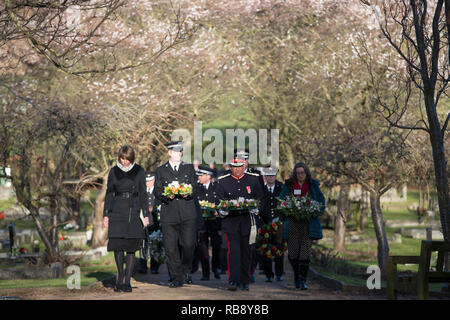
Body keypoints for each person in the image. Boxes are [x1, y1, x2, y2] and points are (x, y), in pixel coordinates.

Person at [103, 145, 150, 293]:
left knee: (130, 247)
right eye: (122, 158)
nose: (124, 162)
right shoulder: (114, 171)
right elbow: (109, 193)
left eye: (127, 159)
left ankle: (127, 281)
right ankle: (120, 277)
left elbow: (143, 194)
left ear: (132, 158)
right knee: (117, 245)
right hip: (116, 211)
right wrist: (105, 214)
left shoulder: (139, 170)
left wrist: (146, 215)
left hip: (133, 210)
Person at [154, 141, 201, 288]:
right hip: (169, 214)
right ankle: (175, 277)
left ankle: (185, 270)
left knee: (188, 245)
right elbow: (157, 190)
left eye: (180, 152)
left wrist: (189, 193)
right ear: (169, 153)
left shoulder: (188, 168)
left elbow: (195, 188)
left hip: (187, 214)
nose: (178, 154)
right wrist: (166, 196)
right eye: (175, 151)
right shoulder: (161, 170)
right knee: (170, 248)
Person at [216, 155, 264, 291]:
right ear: (231, 167)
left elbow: (260, 197)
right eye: (234, 167)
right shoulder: (223, 181)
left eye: (239, 167)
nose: (237, 170)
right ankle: (233, 280)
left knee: (246, 251)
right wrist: (223, 210)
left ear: (244, 166)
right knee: (234, 251)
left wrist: (257, 208)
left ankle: (245, 280)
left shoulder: (253, 179)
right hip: (231, 221)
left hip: (247, 221)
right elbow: (219, 200)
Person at [279, 162, 325, 290]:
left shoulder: (313, 186)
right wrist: (287, 207)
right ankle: (296, 276)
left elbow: (321, 202)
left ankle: (302, 280)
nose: (300, 175)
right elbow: (281, 200)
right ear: (295, 173)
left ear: (306, 173)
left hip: (307, 224)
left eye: (302, 173)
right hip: (292, 223)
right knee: (293, 254)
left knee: (304, 254)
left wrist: (316, 210)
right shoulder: (288, 186)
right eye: (298, 173)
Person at [195, 165, 222, 280]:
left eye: (201, 175)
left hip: (215, 223)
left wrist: (220, 224)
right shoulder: (196, 188)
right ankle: (205, 273)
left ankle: (216, 269)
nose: (199, 178)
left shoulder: (217, 188)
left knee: (216, 247)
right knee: (203, 248)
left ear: (208, 176)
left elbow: (221, 205)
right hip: (202, 224)